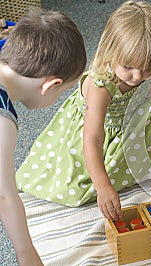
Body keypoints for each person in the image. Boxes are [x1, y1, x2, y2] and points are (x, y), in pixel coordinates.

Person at [15, 1, 151, 221]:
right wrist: (102, 186)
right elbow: (92, 139)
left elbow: (146, 98)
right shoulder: (101, 85)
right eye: (129, 67)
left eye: (148, 68)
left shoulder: (139, 72)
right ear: (112, 52)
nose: (138, 76)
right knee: (84, 184)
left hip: (129, 121)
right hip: (95, 135)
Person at [0, 8, 86, 266]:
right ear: (50, 85)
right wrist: (26, 253)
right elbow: (5, 196)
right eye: (63, 91)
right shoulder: (3, 122)